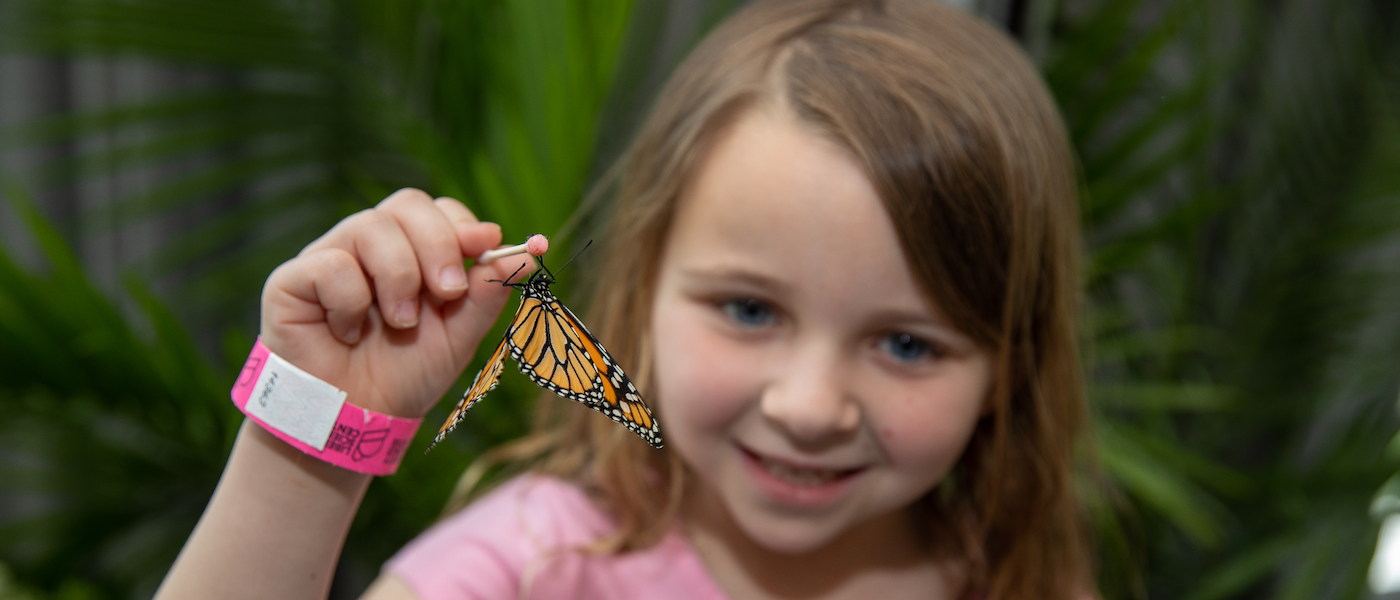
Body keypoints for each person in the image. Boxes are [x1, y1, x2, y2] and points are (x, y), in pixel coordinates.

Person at [155, 0, 1092, 598]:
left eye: (909, 346)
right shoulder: (531, 568)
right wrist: (311, 435)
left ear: (1009, 367)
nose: (809, 408)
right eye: (750, 311)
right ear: (642, 291)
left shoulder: (1014, 578)